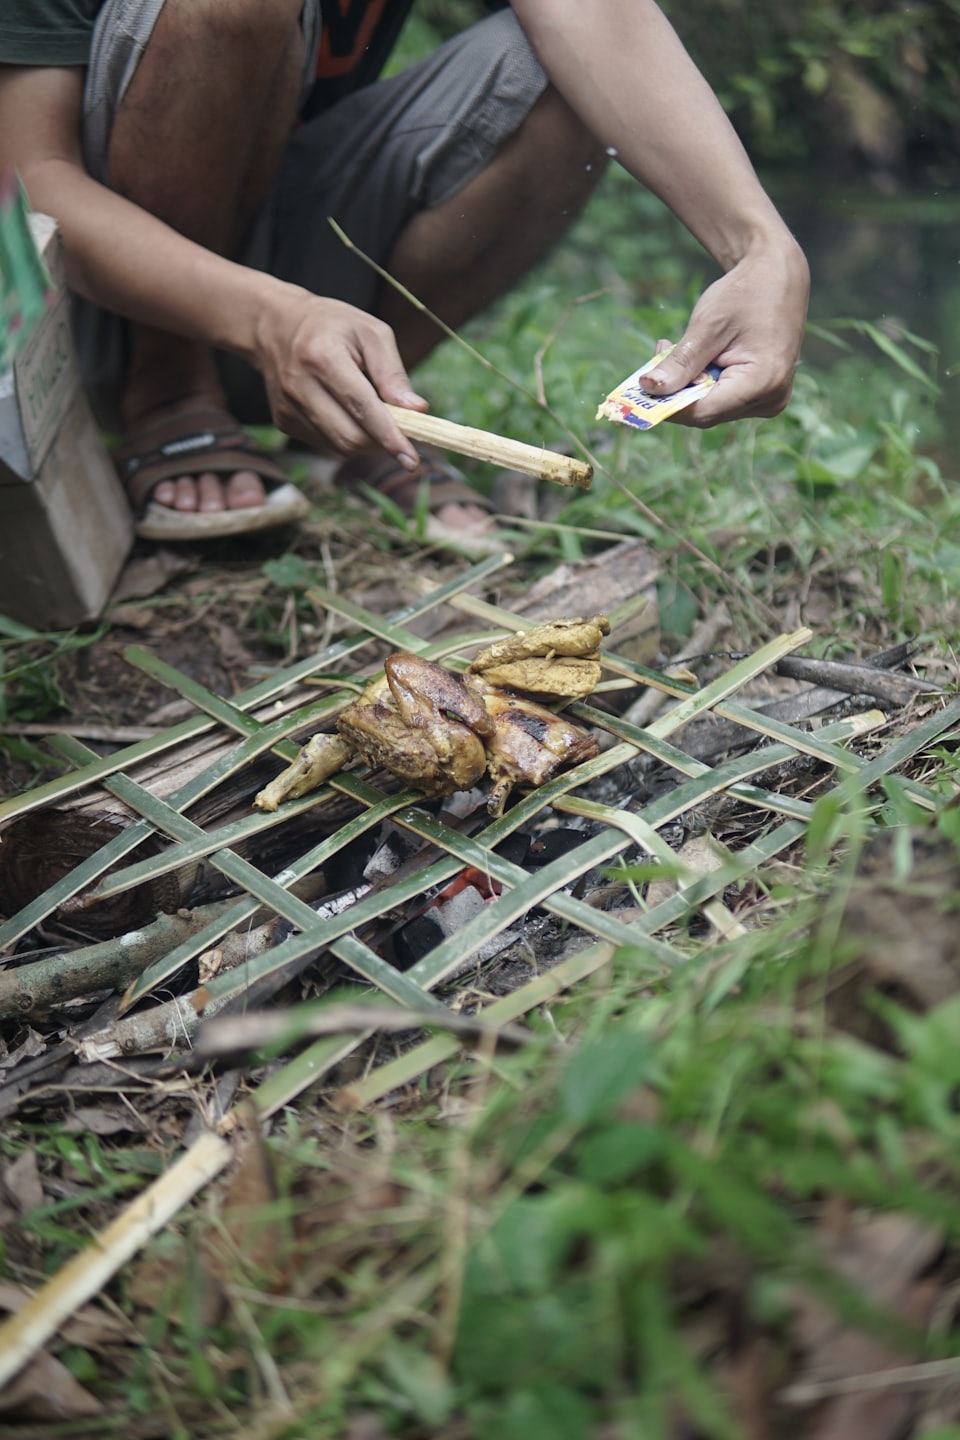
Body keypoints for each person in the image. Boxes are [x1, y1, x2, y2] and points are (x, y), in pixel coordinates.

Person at [0, 0, 809, 542]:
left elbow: (595, 18)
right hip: (66, 302)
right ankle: (171, 398)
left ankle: (368, 403)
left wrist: (761, 248)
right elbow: (25, 187)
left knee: (568, 77)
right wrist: (262, 318)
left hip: (281, 234)